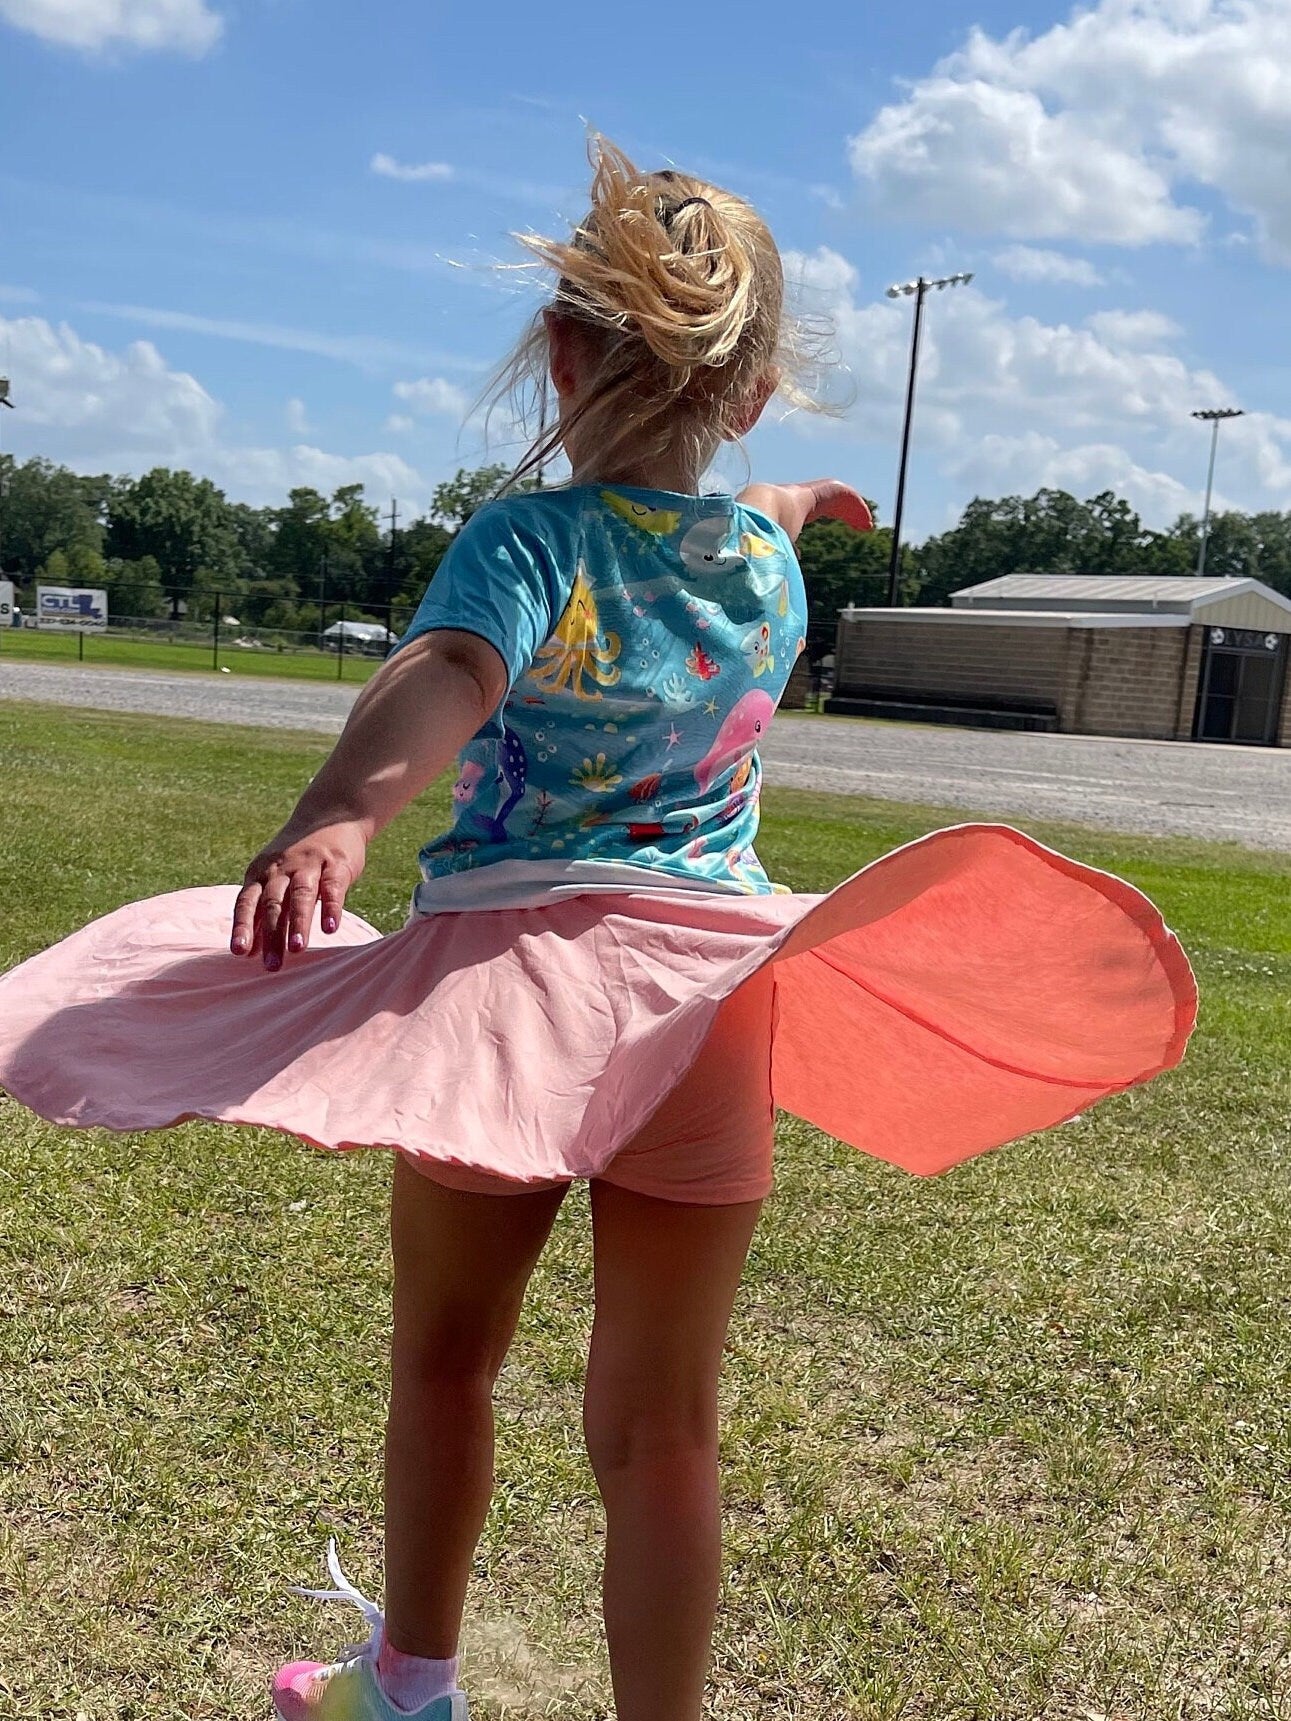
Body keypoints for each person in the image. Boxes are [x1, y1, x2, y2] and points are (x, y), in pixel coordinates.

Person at [0, 139, 1196, 1721]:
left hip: (503, 1001)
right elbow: (724, 510)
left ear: (560, 353)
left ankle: (408, 1689)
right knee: (665, 1431)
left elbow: (449, 675)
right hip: (706, 1006)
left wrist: (348, 806)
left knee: (445, 1359)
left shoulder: (525, 545)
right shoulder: (764, 561)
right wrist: (785, 494)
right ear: (754, 388)